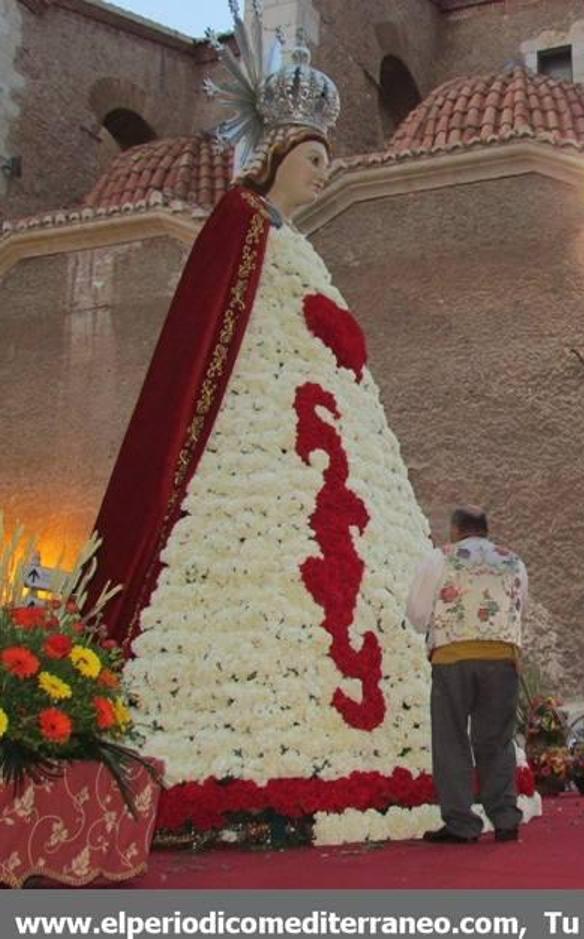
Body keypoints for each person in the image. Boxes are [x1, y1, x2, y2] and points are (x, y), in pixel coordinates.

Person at [88, 12, 434, 842]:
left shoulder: (290, 239)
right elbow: (214, 326)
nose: (322, 176)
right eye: (314, 161)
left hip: (322, 433)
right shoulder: (238, 226)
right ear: (278, 157)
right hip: (247, 445)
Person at [405, 507, 528, 844]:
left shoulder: (439, 559)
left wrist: (427, 630)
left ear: (456, 529)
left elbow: (417, 610)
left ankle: (461, 822)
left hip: (453, 658)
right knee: (496, 740)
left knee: (452, 739)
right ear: (486, 531)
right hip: (501, 659)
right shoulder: (513, 561)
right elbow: (519, 607)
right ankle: (505, 818)